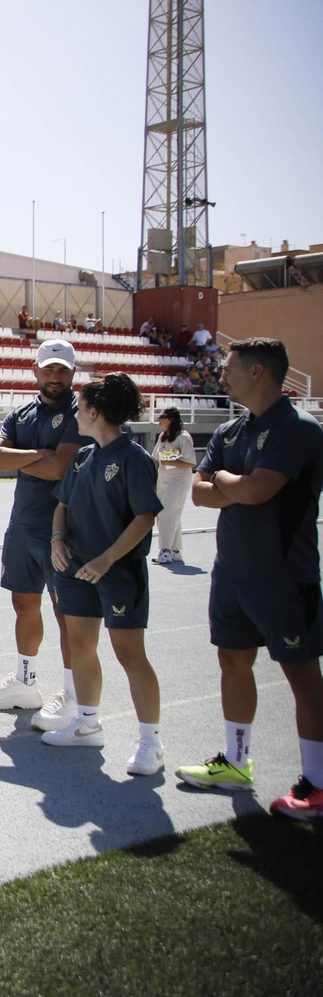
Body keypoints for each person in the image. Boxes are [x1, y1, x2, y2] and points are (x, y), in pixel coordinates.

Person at [178, 338, 323, 820]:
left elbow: (259, 491)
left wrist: (223, 481)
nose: (221, 373)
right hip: (233, 572)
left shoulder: (297, 428)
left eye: (229, 366)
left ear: (259, 371)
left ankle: (317, 784)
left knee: (302, 674)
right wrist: (227, 483)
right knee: (232, 661)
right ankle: (236, 763)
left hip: (284, 576)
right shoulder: (230, 429)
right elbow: (198, 494)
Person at [43, 373, 165, 775]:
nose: (75, 415)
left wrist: (107, 559)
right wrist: (58, 539)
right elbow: (62, 503)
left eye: (80, 408)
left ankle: (150, 743)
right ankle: (87, 725)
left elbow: (145, 517)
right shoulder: (83, 455)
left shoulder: (134, 459)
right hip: (74, 568)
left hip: (116, 573)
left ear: (95, 412)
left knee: (130, 655)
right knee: (80, 645)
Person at [0, 338, 86, 723]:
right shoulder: (21, 413)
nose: (54, 376)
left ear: (73, 372)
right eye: (48, 369)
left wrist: (23, 459)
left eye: (61, 370)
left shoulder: (81, 412)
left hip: (64, 527)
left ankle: (74, 695)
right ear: (35, 370)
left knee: (66, 613)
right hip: (23, 523)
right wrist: (43, 455)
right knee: (23, 603)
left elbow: (60, 469)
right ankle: (26, 684)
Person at [151, 406, 196, 564]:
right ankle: (175, 550)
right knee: (170, 514)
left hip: (178, 480)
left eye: (162, 416)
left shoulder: (183, 437)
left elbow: (190, 462)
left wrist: (170, 461)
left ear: (171, 419)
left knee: (166, 513)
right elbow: (156, 458)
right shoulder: (163, 436)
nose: (159, 419)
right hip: (163, 479)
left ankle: (165, 550)